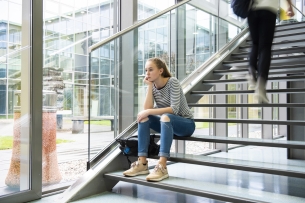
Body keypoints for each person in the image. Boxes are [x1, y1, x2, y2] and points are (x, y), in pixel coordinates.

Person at [123, 57, 195, 182]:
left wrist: (149, 111)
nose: (147, 73)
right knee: (144, 117)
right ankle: (142, 163)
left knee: (165, 116)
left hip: (186, 124)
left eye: (151, 70)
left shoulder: (173, 82)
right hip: (166, 123)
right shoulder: (153, 87)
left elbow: (174, 110)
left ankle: (162, 166)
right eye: (146, 70)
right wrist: (150, 87)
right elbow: (147, 109)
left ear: (161, 71)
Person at [247, 0, 294, 103]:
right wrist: (289, 7)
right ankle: (260, 83)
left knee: (255, 43)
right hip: (268, 10)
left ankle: (251, 72)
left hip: (252, 9)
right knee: (265, 47)